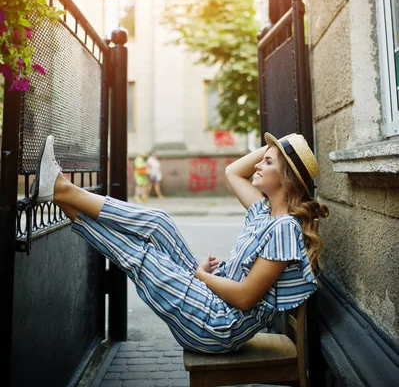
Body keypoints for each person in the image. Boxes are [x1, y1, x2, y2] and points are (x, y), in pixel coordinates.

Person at [31, 132, 328, 354]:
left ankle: (60, 189)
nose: (258, 165)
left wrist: (201, 276)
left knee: (143, 257)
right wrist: (279, 147)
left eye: (267, 162)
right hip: (212, 300)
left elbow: (245, 298)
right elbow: (232, 171)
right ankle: (60, 191)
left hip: (217, 325)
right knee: (159, 222)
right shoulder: (264, 211)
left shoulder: (283, 228)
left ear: (286, 176)